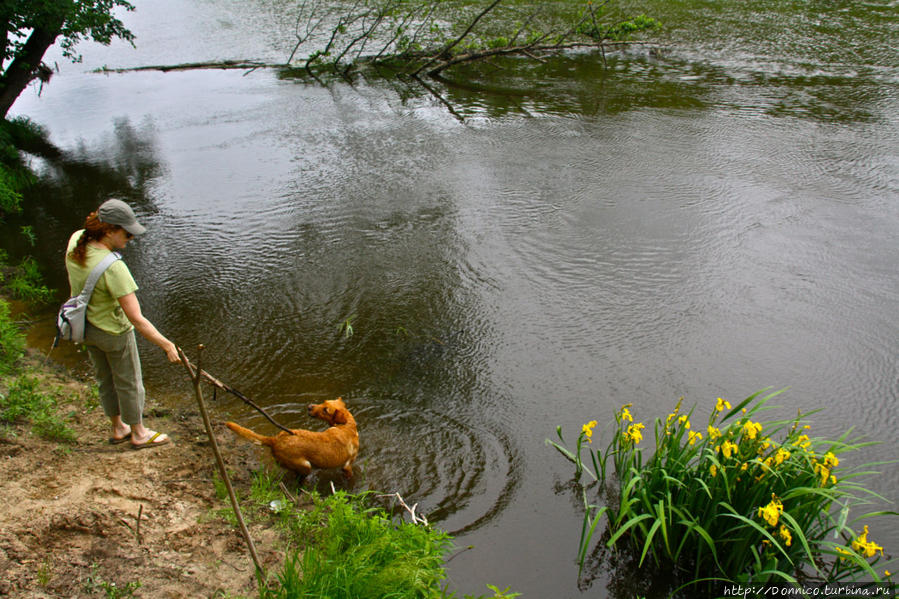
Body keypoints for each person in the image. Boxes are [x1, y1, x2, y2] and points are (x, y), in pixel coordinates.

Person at [65, 199, 180, 449]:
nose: (130, 238)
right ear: (109, 231)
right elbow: (137, 320)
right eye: (126, 233)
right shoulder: (114, 268)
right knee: (129, 381)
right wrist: (167, 344)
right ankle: (139, 433)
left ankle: (118, 428)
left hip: (84, 327)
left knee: (105, 379)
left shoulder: (76, 240)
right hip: (113, 332)